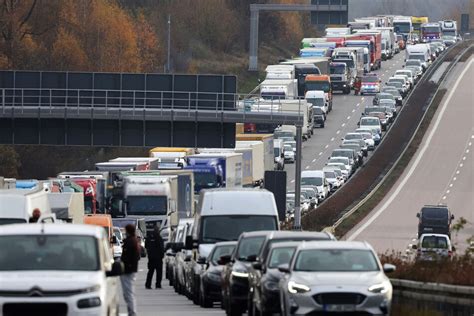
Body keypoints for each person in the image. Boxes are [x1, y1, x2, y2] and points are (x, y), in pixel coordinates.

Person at [121, 224, 141, 316]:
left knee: (128, 293)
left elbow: (130, 256)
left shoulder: (130, 242)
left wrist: (126, 264)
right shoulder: (133, 241)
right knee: (128, 293)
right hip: (130, 269)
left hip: (128, 270)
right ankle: (131, 312)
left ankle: (132, 313)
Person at [145, 224, 165, 289]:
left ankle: (148, 284)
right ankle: (158, 284)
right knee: (159, 272)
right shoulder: (159, 238)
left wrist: (149, 254)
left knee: (150, 271)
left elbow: (146, 246)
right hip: (158, 258)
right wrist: (162, 255)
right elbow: (161, 248)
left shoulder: (149, 237)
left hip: (151, 258)